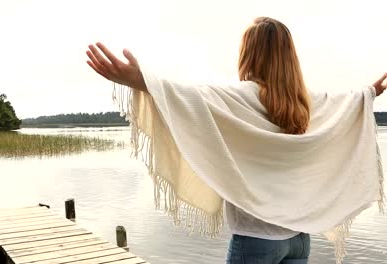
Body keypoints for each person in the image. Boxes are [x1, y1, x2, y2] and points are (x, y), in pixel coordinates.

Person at [86, 17, 387, 264]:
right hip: (298, 238)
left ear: (249, 54)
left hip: (256, 240)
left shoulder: (238, 98)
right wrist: (367, 94)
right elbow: (343, 105)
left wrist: (139, 80)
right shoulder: (306, 103)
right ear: (288, 56)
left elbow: (186, 97)